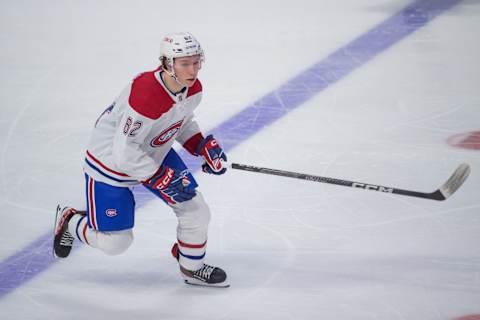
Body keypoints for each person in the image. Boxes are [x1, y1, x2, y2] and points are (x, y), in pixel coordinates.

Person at [53, 32, 229, 288]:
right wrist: (158, 177)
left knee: (196, 210)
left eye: (196, 61)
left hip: (151, 151)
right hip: (110, 163)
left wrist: (200, 146)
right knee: (116, 243)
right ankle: (70, 220)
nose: (193, 70)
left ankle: (191, 267)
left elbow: (180, 121)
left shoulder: (193, 89)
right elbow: (123, 152)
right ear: (168, 63)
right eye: (184, 63)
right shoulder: (146, 94)